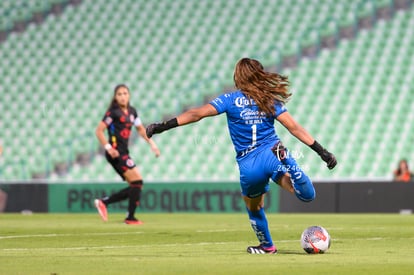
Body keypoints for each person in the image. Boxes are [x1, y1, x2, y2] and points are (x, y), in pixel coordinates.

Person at [146, 58, 337, 254]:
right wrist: (323, 152)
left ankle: (267, 246)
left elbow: (197, 114)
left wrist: (163, 126)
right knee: (305, 195)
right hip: (272, 152)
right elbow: (294, 128)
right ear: (259, 74)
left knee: (254, 207)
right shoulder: (269, 100)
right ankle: (288, 161)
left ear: (238, 76)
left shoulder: (229, 100)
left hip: (249, 164)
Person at [94, 84, 160, 225]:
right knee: (138, 182)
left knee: (135, 186)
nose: (122, 96)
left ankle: (105, 202)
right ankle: (129, 217)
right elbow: (99, 131)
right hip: (116, 153)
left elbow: (141, 130)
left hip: (124, 152)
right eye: (119, 94)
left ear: (129, 95)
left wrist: (152, 144)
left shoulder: (132, 112)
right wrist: (108, 147)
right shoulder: (113, 112)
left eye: (125, 93)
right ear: (115, 97)